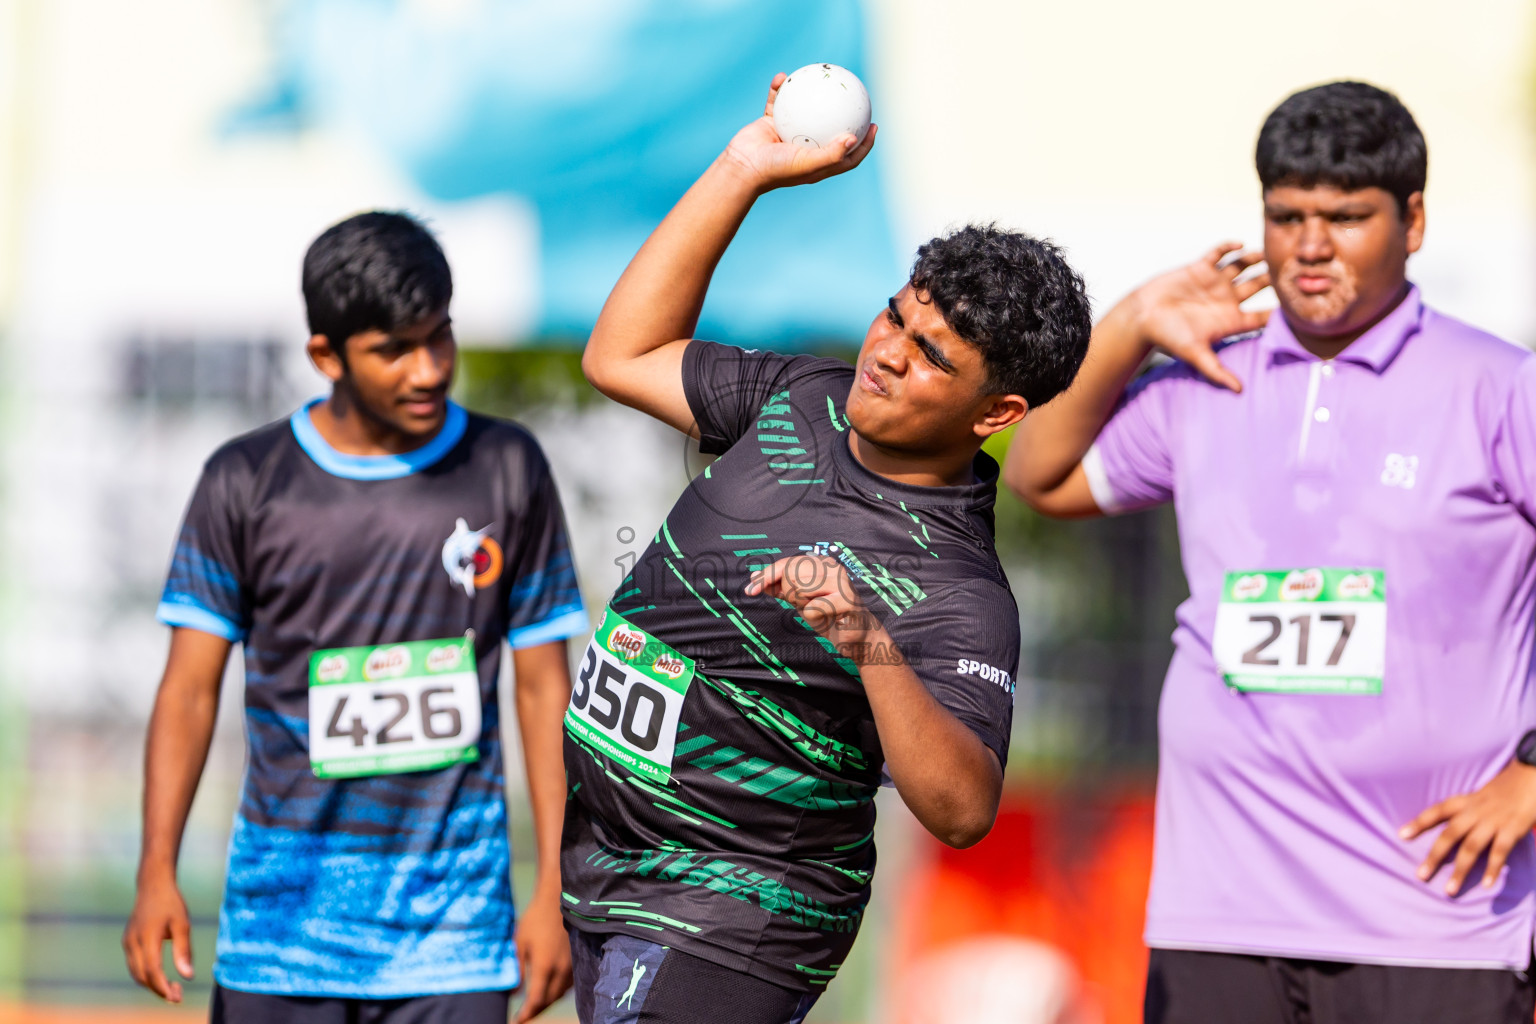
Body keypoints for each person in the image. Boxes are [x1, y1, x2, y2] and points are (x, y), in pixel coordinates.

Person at [561, 75, 1092, 1024]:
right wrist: (743, 170)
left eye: (934, 356)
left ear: (997, 413)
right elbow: (621, 358)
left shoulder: (958, 589)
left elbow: (964, 809)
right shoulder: (803, 398)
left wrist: (870, 641)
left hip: (739, 908)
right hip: (607, 860)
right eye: (897, 314)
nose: (888, 351)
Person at [1005, 81, 1536, 1023]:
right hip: (1218, 907)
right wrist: (1127, 326)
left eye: (1345, 216)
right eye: (1287, 216)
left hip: (1433, 915)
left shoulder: (1499, 389)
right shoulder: (1205, 377)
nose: (1311, 245)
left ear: (1412, 222)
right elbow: (1040, 476)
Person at [122, 212, 588, 1024]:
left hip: (455, 941)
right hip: (279, 937)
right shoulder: (244, 481)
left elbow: (545, 690)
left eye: (440, 337)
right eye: (394, 349)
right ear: (325, 356)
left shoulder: (508, 468)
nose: (429, 368)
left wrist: (552, 888)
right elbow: (190, 690)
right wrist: (155, 867)